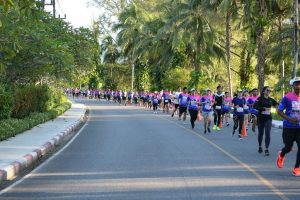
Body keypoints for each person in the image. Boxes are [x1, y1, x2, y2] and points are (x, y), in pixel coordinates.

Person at [277, 77, 300, 176]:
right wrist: (290, 119)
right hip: (288, 127)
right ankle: (282, 154)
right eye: (296, 84)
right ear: (293, 86)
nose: (299, 86)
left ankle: (296, 168)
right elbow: (279, 111)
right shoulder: (287, 97)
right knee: (288, 147)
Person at [253, 86, 278, 156]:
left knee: (267, 132)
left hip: (268, 118)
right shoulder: (260, 99)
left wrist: (277, 106)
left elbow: (276, 104)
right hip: (261, 118)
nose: (269, 92)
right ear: (264, 91)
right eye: (267, 90)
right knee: (260, 133)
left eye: (270, 91)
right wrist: (263, 109)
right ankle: (260, 146)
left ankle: (266, 149)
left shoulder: (271, 99)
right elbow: (255, 106)